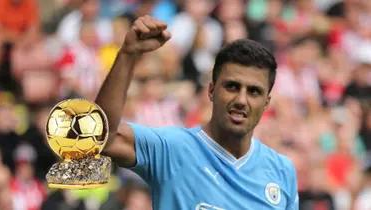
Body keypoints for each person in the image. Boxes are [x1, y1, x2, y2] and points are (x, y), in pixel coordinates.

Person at [96, 15, 299, 209]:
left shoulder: (281, 170)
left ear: (266, 102)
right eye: (232, 87)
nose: (241, 100)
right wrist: (127, 55)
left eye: (254, 91)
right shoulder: (171, 149)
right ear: (211, 91)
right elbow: (102, 138)